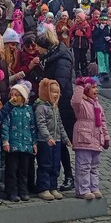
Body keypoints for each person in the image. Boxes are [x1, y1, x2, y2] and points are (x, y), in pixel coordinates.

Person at [36, 28, 75, 192]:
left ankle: (69, 176)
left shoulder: (61, 58)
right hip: (52, 103)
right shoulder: (51, 56)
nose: (37, 50)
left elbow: (61, 83)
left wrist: (45, 84)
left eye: (39, 47)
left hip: (60, 105)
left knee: (60, 141)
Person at [71, 77, 110, 200]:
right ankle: (83, 190)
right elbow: (75, 101)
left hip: (96, 140)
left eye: (96, 87)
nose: (96, 90)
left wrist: (106, 137)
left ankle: (94, 187)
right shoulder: (81, 103)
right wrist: (79, 86)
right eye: (93, 87)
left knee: (94, 166)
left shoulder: (97, 104)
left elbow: (102, 122)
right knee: (83, 166)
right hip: (84, 139)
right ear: (86, 89)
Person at [34, 79, 71, 201]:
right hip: (44, 142)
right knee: (45, 164)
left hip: (57, 140)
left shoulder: (55, 108)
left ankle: (53, 186)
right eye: (53, 92)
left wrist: (66, 139)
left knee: (55, 165)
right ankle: (43, 188)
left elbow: (60, 125)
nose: (56, 94)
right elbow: (41, 124)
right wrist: (47, 137)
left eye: (57, 92)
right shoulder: (41, 107)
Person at [1, 81, 36, 202]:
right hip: (13, 144)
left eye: (17, 95)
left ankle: (23, 190)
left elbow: (32, 127)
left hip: (26, 144)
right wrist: (5, 141)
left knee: (23, 170)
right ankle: (11, 191)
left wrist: (34, 143)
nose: (14, 98)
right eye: (12, 95)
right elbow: (5, 125)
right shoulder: (9, 109)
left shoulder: (29, 110)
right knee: (12, 169)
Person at [92, 12, 111, 83]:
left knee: (106, 59)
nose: (103, 22)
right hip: (99, 46)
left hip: (106, 46)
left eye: (105, 20)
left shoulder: (108, 27)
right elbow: (94, 36)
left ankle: (106, 72)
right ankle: (102, 72)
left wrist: (109, 38)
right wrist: (100, 29)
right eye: (102, 20)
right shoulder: (97, 27)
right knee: (100, 59)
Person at [69, 11, 91, 76]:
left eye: (78, 18)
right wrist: (73, 33)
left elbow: (88, 35)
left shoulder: (87, 26)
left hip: (84, 44)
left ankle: (84, 70)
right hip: (76, 44)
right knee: (77, 58)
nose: (77, 19)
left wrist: (83, 32)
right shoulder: (75, 26)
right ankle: (77, 71)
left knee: (83, 58)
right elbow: (70, 33)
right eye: (77, 18)